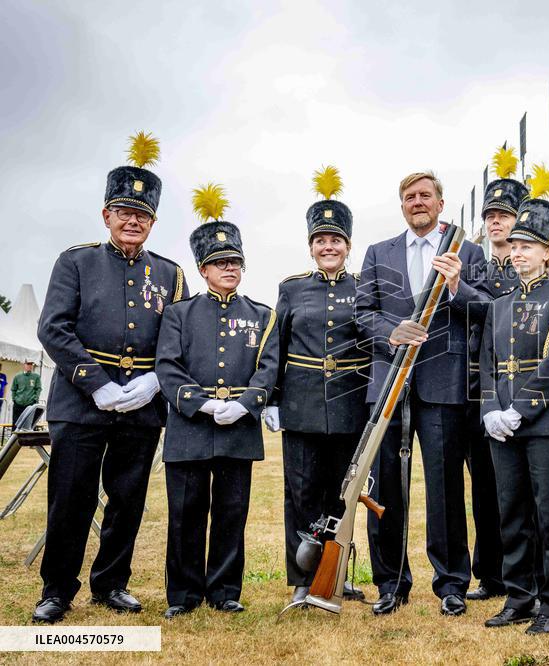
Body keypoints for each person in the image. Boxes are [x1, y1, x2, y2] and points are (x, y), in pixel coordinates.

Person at [34, 133, 188, 624]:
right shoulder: (75, 261)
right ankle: (57, 589)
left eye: (142, 214)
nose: (133, 220)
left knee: (127, 500)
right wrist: (95, 382)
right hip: (81, 402)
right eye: (123, 211)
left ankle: (111, 584)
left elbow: (178, 338)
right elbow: (52, 327)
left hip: (142, 404)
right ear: (106, 215)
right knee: (71, 499)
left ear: (153, 221)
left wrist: (155, 382)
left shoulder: (170, 273)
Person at [355, 171, 489, 617]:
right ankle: (390, 583)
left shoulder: (466, 251)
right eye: (409, 196)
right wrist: (392, 332)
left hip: (443, 387)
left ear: (440, 203)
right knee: (386, 489)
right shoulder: (378, 253)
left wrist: (455, 287)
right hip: (389, 384)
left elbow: (486, 310)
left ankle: (451, 582)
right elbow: (363, 314)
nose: (418, 202)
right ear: (402, 205)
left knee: (445, 489)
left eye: (425, 195)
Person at [155, 184, 278, 618]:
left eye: (235, 262)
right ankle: (184, 595)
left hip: (238, 428)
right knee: (186, 513)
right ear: (203, 270)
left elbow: (268, 368)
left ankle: (225, 590)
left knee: (231, 513)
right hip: (190, 426)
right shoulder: (178, 313)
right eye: (219, 263)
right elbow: (167, 367)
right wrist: (202, 404)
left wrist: (245, 404)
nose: (229, 268)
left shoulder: (263, 315)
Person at [479, 168, 549, 635]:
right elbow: (483, 365)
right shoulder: (497, 304)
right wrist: (489, 412)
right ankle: (518, 597)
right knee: (511, 512)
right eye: (513, 246)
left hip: (546, 423)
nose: (517, 253)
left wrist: (520, 409)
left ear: (548, 251)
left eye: (528, 246)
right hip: (501, 423)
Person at [264, 166, 369, 605]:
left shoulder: (365, 288)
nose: (329, 247)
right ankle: (303, 578)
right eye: (321, 241)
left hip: (349, 406)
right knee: (302, 494)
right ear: (311, 247)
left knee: (340, 497)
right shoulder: (291, 290)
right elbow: (275, 345)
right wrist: (270, 398)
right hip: (303, 405)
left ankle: (336, 573)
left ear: (347, 246)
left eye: (336, 240)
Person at [464, 147, 528, 602]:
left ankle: (522, 574)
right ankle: (489, 574)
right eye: (489, 215)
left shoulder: (532, 271)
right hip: (477, 390)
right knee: (484, 487)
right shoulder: (476, 267)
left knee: (519, 490)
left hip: (521, 392)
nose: (495, 222)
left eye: (504, 215)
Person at [11, 360, 42, 427]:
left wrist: (35, 399)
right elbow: (13, 389)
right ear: (24, 365)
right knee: (15, 422)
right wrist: (14, 399)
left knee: (29, 423)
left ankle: (28, 437)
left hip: (30, 404)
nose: (30, 366)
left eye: (31, 364)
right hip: (18, 403)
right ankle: (15, 437)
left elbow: (38, 388)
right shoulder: (17, 376)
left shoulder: (36, 377)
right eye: (28, 364)